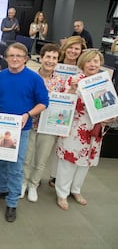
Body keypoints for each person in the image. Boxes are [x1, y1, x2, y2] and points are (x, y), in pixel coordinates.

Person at [0, 42, 48, 222]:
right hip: (1, 126)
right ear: (5, 58)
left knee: (16, 166)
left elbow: (43, 102)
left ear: (26, 59)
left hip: (21, 129)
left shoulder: (34, 79)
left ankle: (12, 202)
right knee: (1, 162)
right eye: (11, 55)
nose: (14, 59)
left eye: (19, 56)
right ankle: (2, 189)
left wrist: (28, 114)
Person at [55, 50, 116, 210]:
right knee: (68, 161)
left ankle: (76, 189)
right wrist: (72, 91)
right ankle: (62, 193)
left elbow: (109, 105)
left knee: (85, 162)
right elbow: (62, 105)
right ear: (83, 63)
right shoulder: (73, 80)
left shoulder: (104, 82)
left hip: (95, 129)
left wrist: (110, 117)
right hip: (75, 128)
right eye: (89, 61)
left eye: (96, 61)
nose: (93, 64)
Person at [22, 44, 65, 202]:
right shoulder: (31, 77)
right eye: (48, 57)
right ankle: (23, 182)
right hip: (30, 124)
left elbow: (65, 105)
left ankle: (34, 185)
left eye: (54, 58)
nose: (50, 61)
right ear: (41, 58)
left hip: (49, 127)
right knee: (26, 157)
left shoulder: (61, 83)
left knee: (41, 160)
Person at [48, 36, 86, 187]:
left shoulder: (83, 69)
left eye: (77, 49)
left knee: (64, 144)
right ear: (65, 48)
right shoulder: (55, 63)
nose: (73, 51)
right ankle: (48, 175)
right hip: (53, 107)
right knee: (50, 144)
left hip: (74, 113)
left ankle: (57, 177)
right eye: (70, 47)